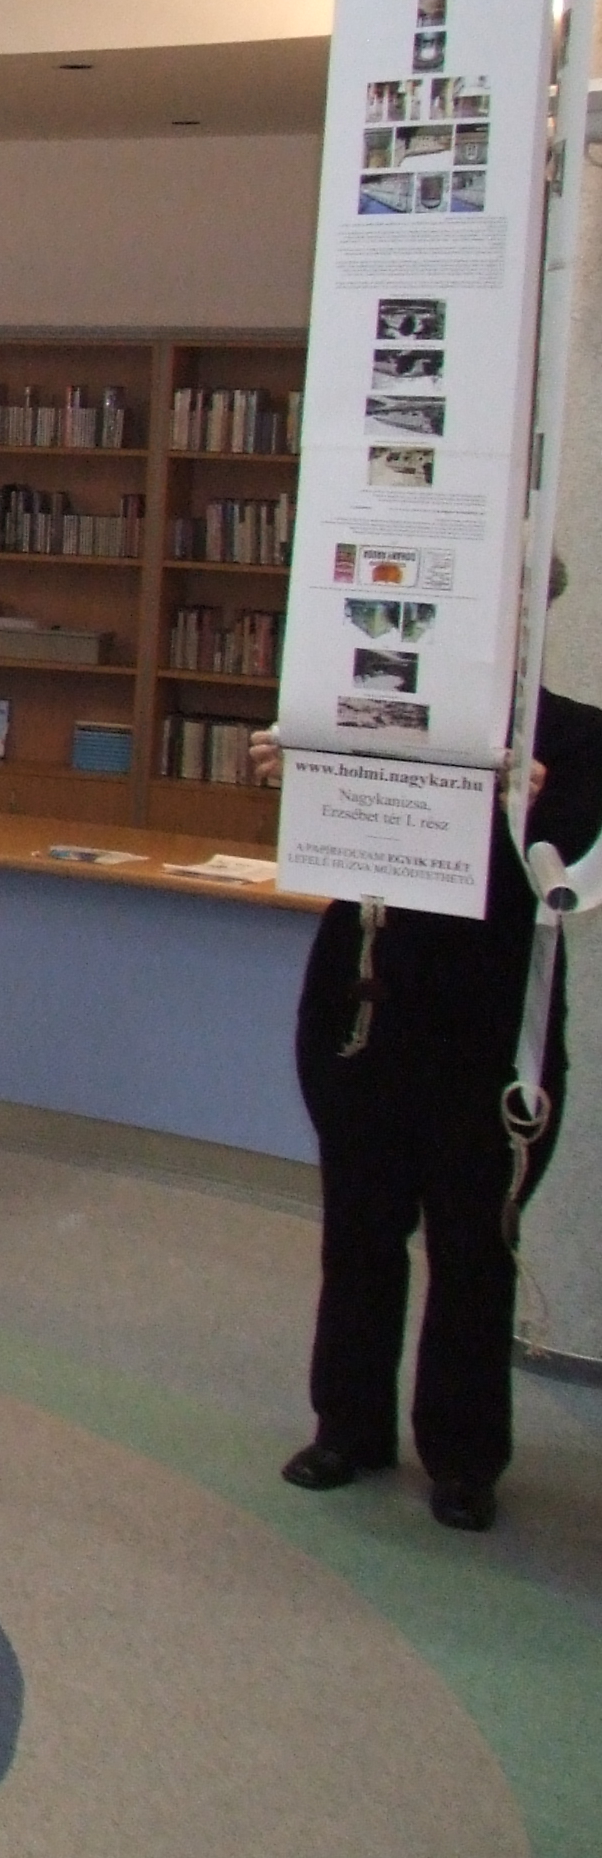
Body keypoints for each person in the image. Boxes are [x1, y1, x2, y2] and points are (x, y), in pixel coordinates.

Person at [260, 637, 602, 1532]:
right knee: (359, 1228)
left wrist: (518, 806)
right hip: (364, 1005)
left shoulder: (576, 737)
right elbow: (341, 845)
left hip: (488, 1029)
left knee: (474, 1245)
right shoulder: (374, 711)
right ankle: (348, 1428)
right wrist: (301, 770)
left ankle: (463, 1457)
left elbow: (563, 877)